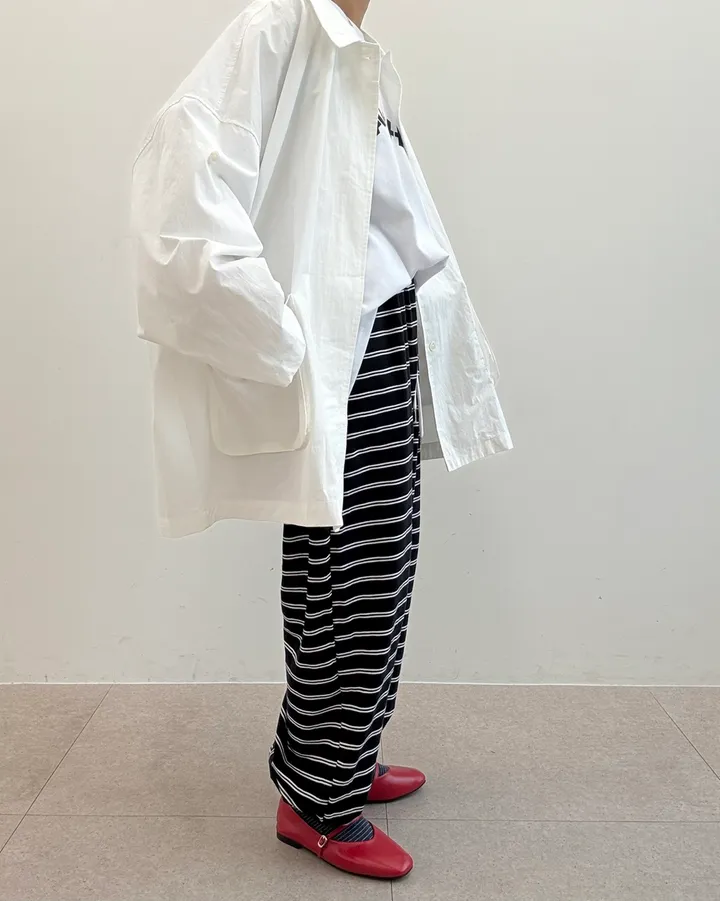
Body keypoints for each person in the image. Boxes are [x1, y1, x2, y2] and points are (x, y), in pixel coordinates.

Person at [131, 0, 512, 880]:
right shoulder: (275, 29)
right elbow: (177, 190)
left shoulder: (351, 47)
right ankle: (319, 801)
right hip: (343, 346)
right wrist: (282, 338)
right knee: (355, 568)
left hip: (381, 333)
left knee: (361, 558)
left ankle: (336, 756)